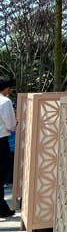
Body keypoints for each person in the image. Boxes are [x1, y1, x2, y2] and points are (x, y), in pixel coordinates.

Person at [0, 76, 16, 219]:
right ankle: (2, 208)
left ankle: (3, 207)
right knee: (1, 174)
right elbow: (10, 124)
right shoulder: (5, 102)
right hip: (1, 141)